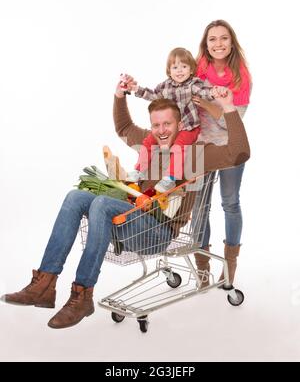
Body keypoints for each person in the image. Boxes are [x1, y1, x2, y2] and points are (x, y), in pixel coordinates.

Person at [1, 77, 250, 329]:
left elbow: (239, 153)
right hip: (131, 219)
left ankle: (82, 294)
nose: (161, 130)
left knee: (101, 204)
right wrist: (120, 96)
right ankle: (44, 283)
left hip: (158, 232)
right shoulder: (150, 145)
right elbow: (123, 127)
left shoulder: (195, 153)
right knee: (74, 197)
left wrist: (228, 108)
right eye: (156, 125)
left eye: (167, 124)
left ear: (180, 123)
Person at [191, 20, 252, 288]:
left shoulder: (242, 77)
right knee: (199, 207)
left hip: (229, 148)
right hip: (201, 147)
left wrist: (206, 103)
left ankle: (230, 266)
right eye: (212, 39)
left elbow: (231, 122)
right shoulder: (196, 69)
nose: (218, 44)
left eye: (223, 38)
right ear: (206, 44)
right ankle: (202, 267)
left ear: (231, 42)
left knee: (230, 203)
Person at [122, 48, 225, 193]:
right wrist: (135, 88)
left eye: (184, 66)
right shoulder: (165, 86)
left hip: (188, 128)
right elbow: (152, 95)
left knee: (178, 147)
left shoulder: (193, 84)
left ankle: (170, 177)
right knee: (147, 142)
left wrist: (214, 92)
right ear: (169, 71)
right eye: (175, 67)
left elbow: (205, 92)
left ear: (191, 70)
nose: (179, 71)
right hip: (170, 129)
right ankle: (140, 170)